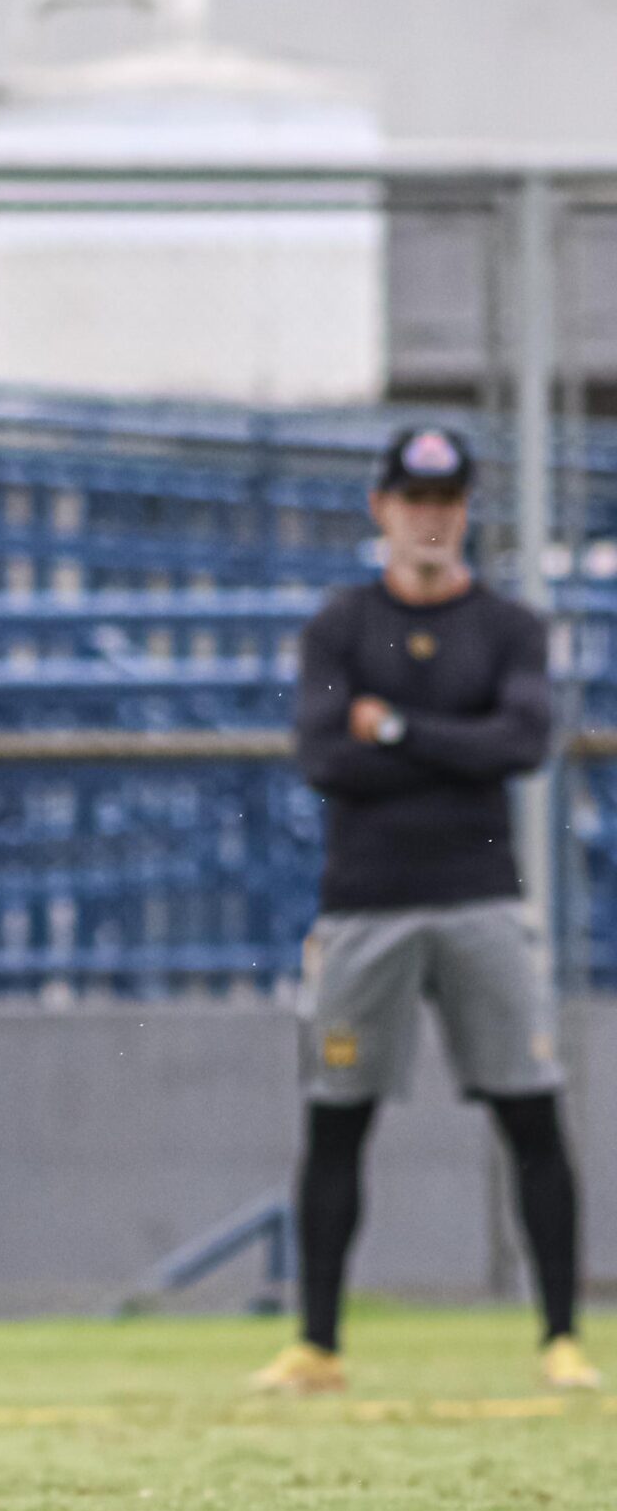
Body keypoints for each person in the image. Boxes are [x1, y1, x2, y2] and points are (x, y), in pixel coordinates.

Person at [253, 425, 594, 1396]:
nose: (431, 518)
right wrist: (452, 744)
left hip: (481, 898)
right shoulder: (338, 627)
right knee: (336, 1119)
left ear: (466, 509)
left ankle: (559, 1339)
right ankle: (318, 1344)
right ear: (381, 509)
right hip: (363, 906)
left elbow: (520, 743)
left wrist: (394, 727)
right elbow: (324, 759)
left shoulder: (508, 627)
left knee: (530, 1114)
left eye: (446, 502)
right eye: (413, 500)